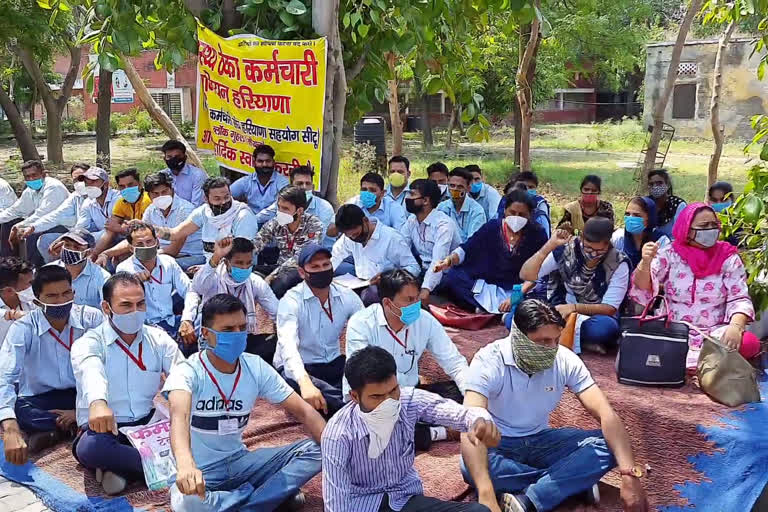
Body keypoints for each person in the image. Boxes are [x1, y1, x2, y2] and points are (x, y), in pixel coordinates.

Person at [460, 299, 649, 512]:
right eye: (542, 341)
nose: (551, 348)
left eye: (555, 340)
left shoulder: (564, 359)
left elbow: (607, 415)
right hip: (499, 444)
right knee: (471, 467)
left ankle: (531, 500)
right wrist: (486, 498)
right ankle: (571, 483)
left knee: (611, 443)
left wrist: (629, 474)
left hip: (543, 441)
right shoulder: (488, 361)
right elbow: (471, 428)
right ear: (518, 336)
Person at [165, 293, 324, 512]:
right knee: (189, 504)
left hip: (241, 462)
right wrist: (185, 465)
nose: (238, 335)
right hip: (201, 471)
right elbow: (178, 417)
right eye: (228, 330)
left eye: (242, 327)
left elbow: (304, 411)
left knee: (321, 449)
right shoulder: (188, 372)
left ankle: (244, 502)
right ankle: (269, 496)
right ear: (206, 334)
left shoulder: (255, 367)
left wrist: (334, 444)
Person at [322, 345, 499, 512]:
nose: (389, 402)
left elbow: (460, 414)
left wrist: (480, 422)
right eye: (377, 397)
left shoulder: (408, 401)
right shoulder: (338, 435)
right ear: (354, 396)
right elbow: (336, 504)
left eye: (393, 391)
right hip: (363, 505)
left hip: (405, 499)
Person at [71, 272, 184, 495]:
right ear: (106, 307)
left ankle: (123, 471)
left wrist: (184, 402)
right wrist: (98, 403)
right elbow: (90, 371)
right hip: (108, 427)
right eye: (126, 305)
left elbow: (181, 375)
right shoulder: (89, 343)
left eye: (140, 303)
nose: (135, 311)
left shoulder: (158, 338)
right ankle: (168, 467)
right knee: (91, 449)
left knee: (196, 426)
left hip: (149, 424)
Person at [629, 202, 759, 368]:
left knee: (749, 343)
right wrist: (645, 262)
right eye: (704, 226)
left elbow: (739, 297)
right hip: (673, 328)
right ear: (687, 230)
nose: (711, 230)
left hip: (714, 332)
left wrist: (735, 327)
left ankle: (688, 361)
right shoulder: (670, 254)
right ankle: (706, 364)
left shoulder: (728, 257)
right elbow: (643, 286)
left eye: (714, 225)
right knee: (635, 333)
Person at [0, 266, 103, 464]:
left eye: (66, 293)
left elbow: (110, 363)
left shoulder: (91, 318)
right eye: (52, 296)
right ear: (37, 301)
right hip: (41, 398)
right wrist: (11, 430)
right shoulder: (23, 328)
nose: (61, 301)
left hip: (83, 393)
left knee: (110, 400)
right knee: (19, 409)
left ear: (74, 292)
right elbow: (5, 377)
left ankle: (62, 427)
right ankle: (75, 427)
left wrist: (79, 410)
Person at [344, 269, 469, 408]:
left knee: (465, 393)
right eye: (410, 300)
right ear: (387, 303)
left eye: (417, 298)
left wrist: (472, 398)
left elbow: (455, 362)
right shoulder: (361, 323)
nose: (416, 304)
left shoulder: (425, 320)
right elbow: (362, 375)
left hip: (413, 393)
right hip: (379, 398)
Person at [275, 243, 364, 417]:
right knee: (315, 395)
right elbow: (288, 346)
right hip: (300, 366)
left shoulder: (346, 295)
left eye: (326, 265)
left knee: (366, 385)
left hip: (333, 360)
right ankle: (351, 414)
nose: (322, 270)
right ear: (302, 273)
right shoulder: (291, 301)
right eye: (314, 267)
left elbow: (367, 328)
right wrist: (305, 382)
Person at [520, 217, 630, 355]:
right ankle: (571, 338)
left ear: (608, 244)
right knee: (516, 316)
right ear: (582, 238)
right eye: (588, 248)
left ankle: (552, 335)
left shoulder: (618, 262)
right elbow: (526, 275)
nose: (593, 255)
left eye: (599, 251)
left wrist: (573, 308)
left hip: (594, 315)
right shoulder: (566, 249)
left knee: (605, 329)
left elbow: (610, 308)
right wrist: (549, 246)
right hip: (560, 307)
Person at [435, 189, 548, 314]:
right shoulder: (492, 227)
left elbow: (540, 272)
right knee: (454, 276)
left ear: (530, 215)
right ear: (505, 211)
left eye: (522, 215)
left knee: (537, 299)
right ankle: (485, 308)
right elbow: (467, 248)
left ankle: (494, 310)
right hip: (488, 284)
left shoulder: (537, 234)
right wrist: (448, 261)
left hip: (520, 288)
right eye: (512, 212)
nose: (516, 217)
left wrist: (516, 296)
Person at [180, 237, 278, 363]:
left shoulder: (255, 282)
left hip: (242, 337)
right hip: (214, 338)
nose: (244, 268)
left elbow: (277, 312)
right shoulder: (214, 278)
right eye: (239, 263)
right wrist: (187, 319)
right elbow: (196, 289)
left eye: (248, 263)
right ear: (226, 263)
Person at [331, 204, 420, 306]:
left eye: (356, 234)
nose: (353, 238)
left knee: (369, 295)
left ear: (365, 221)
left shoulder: (391, 238)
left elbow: (414, 268)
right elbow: (336, 255)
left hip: (383, 286)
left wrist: (388, 277)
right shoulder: (349, 237)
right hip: (360, 280)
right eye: (349, 236)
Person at [152, 177, 259, 260]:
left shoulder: (243, 216)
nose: (223, 202)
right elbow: (175, 234)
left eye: (226, 197)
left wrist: (207, 268)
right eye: (217, 199)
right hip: (209, 264)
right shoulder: (204, 212)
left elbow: (241, 256)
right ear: (206, 199)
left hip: (235, 268)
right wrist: (151, 229)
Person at [116, 221, 191, 339]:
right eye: (140, 244)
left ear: (157, 242)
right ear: (131, 248)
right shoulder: (124, 269)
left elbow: (189, 291)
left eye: (149, 241)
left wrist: (187, 320)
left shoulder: (168, 262)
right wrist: (135, 284)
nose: (146, 247)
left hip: (171, 321)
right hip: (147, 328)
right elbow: (126, 307)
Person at [252, 185, 325, 299]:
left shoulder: (314, 225)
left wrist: (272, 276)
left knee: (278, 285)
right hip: (279, 267)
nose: (280, 212)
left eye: (285, 209)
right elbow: (258, 241)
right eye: (279, 207)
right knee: (251, 275)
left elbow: (300, 257)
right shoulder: (276, 222)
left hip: (301, 270)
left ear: (299, 211)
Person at [401, 179, 462, 305]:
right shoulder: (412, 220)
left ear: (425, 201)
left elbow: (438, 262)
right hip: (424, 271)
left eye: (412, 195)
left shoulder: (443, 225)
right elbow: (401, 247)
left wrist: (425, 289)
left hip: (446, 275)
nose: (408, 198)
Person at [18, 162, 89, 264]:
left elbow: (84, 226)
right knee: (44, 240)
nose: (79, 183)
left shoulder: (54, 187)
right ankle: (55, 268)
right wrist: (32, 227)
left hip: (90, 234)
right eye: (75, 180)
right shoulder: (75, 196)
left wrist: (66, 238)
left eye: (82, 178)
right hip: (74, 231)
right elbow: (56, 215)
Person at [0, 160, 69, 260]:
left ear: (43, 174)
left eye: (34, 175)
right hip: (43, 222)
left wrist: (19, 226)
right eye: (27, 177)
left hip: (61, 225)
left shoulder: (53, 187)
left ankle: (31, 268)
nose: (31, 179)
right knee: (8, 223)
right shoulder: (30, 190)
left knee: (31, 232)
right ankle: (8, 262)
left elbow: (43, 214)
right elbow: (16, 210)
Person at [257, 165, 337, 249]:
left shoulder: (324, 208)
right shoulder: (283, 204)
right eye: (300, 184)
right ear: (291, 186)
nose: (304, 187)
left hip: (317, 255)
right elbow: (259, 219)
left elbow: (312, 245)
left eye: (308, 184)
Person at [91, 168, 152, 261]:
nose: (126, 189)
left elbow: (144, 233)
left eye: (130, 185)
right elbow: (111, 227)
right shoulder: (121, 202)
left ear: (139, 184)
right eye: (122, 186)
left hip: (148, 243)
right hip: (131, 240)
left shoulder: (148, 200)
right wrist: (95, 254)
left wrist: (121, 229)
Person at [49, 229, 111, 309]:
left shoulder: (102, 277)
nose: (70, 250)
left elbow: (107, 311)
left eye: (77, 247)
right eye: (67, 245)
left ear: (88, 252)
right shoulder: (48, 272)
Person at [230, 144, 290, 217]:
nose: (264, 164)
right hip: (250, 222)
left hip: (274, 223)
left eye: (268, 161)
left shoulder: (282, 182)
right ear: (254, 163)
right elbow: (227, 194)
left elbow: (285, 202)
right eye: (260, 161)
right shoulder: (247, 181)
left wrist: (256, 219)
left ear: (273, 162)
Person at [611, 197, 669, 270]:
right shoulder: (618, 238)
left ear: (650, 218)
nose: (630, 218)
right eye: (627, 214)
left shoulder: (661, 241)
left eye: (637, 215)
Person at [438, 168, 487, 243]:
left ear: (468, 189)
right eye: (452, 185)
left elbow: (473, 242)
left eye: (460, 187)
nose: (455, 189)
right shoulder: (442, 207)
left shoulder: (477, 212)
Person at [500, 172, 551, 237]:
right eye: (523, 186)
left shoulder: (539, 206)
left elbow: (545, 235)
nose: (527, 190)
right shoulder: (505, 201)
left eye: (531, 187)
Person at [160, 139, 208, 207]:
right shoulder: (162, 176)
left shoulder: (197, 175)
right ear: (164, 159)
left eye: (177, 157)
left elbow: (197, 206)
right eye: (169, 157)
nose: (173, 160)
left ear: (185, 157)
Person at [0, 257, 35, 346]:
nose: (34, 286)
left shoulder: (33, 303)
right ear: (9, 291)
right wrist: (13, 314)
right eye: (30, 283)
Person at [647, 169, 686, 238]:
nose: (655, 187)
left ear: (667, 185)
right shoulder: (645, 203)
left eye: (659, 183)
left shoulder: (678, 205)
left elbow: (681, 234)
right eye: (651, 184)